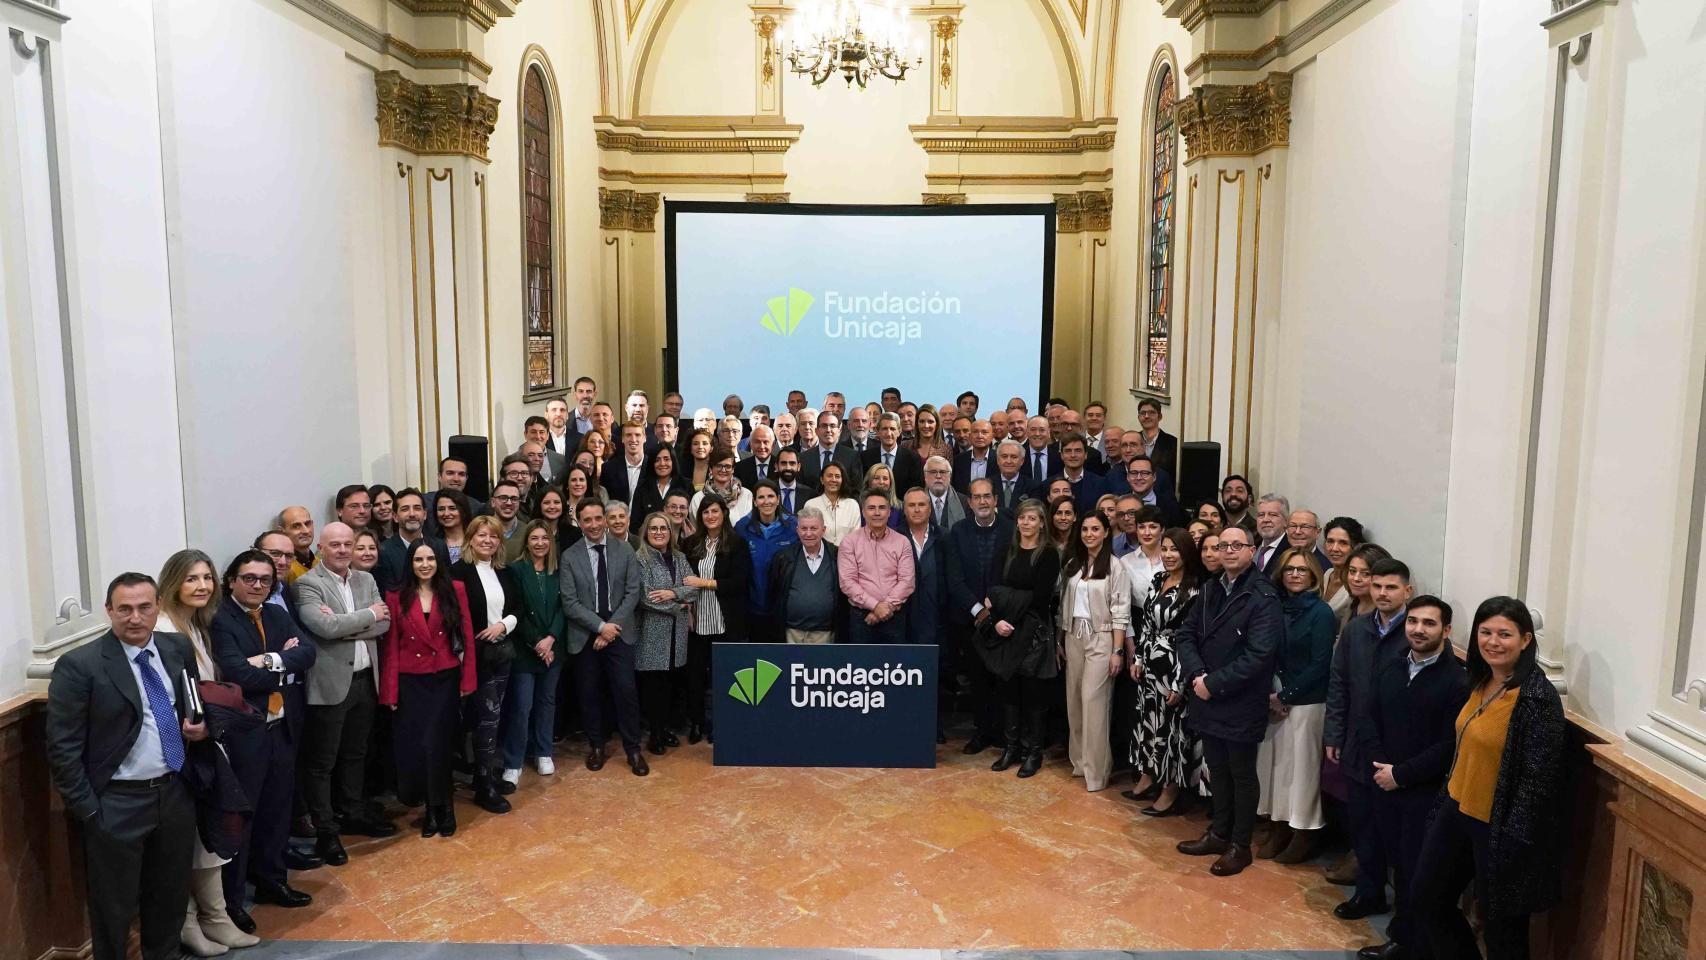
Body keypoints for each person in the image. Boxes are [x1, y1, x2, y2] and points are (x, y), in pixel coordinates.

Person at [46, 573, 211, 960]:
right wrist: (89, 810)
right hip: (116, 803)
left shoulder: (176, 647)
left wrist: (201, 727)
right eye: (124, 609)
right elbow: (62, 747)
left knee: (169, 897)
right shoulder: (80, 665)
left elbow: (193, 703)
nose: (134, 618)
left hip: (174, 794)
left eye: (144, 608)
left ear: (158, 608)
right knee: (113, 908)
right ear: (109, 611)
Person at [1411, 597, 1565, 960]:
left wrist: (1512, 843)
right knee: (1427, 899)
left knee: (1503, 932)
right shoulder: (1480, 679)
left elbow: (1537, 782)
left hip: (1498, 827)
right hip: (1456, 809)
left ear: (1526, 640)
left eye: (1504, 634)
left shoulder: (1537, 698)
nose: (1493, 641)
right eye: (1486, 632)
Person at [152, 552, 260, 957]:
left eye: (207, 578)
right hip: (180, 748)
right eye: (191, 579)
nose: (201, 586)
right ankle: (189, 922)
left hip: (205, 740)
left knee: (207, 833)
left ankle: (214, 917)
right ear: (173, 582)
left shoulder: (195, 625)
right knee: (189, 838)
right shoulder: (164, 627)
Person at [1359, 595, 1468, 960]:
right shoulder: (1390, 666)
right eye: (1413, 621)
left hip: (1422, 792)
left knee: (1414, 871)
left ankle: (1408, 944)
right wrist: (1382, 768)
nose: (1418, 629)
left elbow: (1448, 745)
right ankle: (1404, 938)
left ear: (1446, 630)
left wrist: (1401, 775)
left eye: (1429, 623)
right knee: (1396, 862)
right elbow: (1369, 718)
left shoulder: (1457, 682)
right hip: (1384, 783)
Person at [211, 550, 318, 915]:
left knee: (277, 810)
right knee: (246, 816)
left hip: (282, 726)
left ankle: (274, 881)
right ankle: (234, 901)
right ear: (231, 581)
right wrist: (282, 664)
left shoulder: (274, 613)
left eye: (265, 580)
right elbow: (237, 673)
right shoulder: (221, 619)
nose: (257, 585)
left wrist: (269, 660)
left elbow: (308, 652)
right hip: (246, 733)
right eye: (249, 578)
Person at [1174, 524, 1282, 877]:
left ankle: (1240, 844)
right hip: (1206, 692)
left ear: (1253, 551)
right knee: (1216, 769)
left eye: (1238, 545)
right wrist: (1196, 676)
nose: (1230, 551)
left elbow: (1259, 655)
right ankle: (1219, 832)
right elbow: (1186, 634)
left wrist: (1213, 683)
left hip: (1239, 698)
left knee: (1241, 773)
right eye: (1224, 546)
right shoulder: (1209, 589)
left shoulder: (1262, 596)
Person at [293, 523, 395, 868]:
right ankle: (326, 830)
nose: (341, 549)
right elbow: (324, 627)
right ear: (321, 547)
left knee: (356, 754)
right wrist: (365, 616)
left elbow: (385, 623)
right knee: (322, 762)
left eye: (347, 544)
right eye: (334, 544)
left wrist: (344, 625)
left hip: (366, 680)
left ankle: (353, 813)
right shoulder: (307, 584)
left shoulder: (366, 579)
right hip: (330, 685)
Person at [1325, 556, 1413, 920]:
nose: (1382, 593)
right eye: (1377, 586)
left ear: (1407, 590)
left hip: (1399, 750)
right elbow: (1339, 683)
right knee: (1361, 823)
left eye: (1391, 587)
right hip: (1358, 743)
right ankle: (1369, 893)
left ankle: (1407, 913)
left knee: (1399, 833)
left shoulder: (1417, 629)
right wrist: (1334, 731)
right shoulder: (1357, 630)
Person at [382, 540, 477, 837]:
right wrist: (391, 692)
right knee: (419, 747)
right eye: (419, 559)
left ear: (439, 562)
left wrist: (467, 680)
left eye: (430, 559)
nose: (425, 564)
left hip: (444, 678)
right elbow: (391, 648)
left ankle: (444, 807)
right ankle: (429, 808)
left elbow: (467, 638)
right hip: (412, 681)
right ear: (410, 563)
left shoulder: (455, 589)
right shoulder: (396, 596)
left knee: (440, 745)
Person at [1254, 549, 1336, 864]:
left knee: (1301, 771)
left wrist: (1286, 696)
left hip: (1308, 702)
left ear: (1314, 574)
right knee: (1275, 767)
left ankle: (1305, 831)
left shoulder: (1322, 612)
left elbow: (1320, 663)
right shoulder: (1277, 607)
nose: (1295, 574)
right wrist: (1273, 692)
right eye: (1290, 569)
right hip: (1275, 697)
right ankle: (1277, 825)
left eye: (1302, 570)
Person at [560, 498, 649, 776]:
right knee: (589, 693)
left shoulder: (625, 551)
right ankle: (596, 745)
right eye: (588, 520)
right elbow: (570, 602)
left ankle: (633, 749)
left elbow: (633, 592)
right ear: (579, 522)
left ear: (605, 519)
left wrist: (611, 628)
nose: (595, 525)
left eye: (599, 518)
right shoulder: (569, 556)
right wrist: (600, 628)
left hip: (619, 632)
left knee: (626, 692)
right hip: (585, 634)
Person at [971, 499, 1058, 777]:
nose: (1026, 523)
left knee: (1033, 694)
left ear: (1042, 522)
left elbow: (1041, 598)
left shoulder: (1049, 554)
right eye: (1023, 518)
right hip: (1005, 630)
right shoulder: (1006, 550)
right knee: (1008, 691)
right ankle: (1011, 748)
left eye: (1033, 519)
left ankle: (1033, 752)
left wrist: (1003, 601)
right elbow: (992, 591)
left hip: (1032, 634)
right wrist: (998, 620)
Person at [1125, 528, 1204, 816]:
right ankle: (1148, 776)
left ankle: (1171, 789)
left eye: (1175, 550)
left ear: (1186, 554)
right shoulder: (1158, 580)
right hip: (1150, 666)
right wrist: (1138, 659)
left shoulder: (1196, 589)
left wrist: (1180, 681)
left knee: (1171, 730)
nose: (1169, 555)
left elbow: (1191, 637)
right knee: (1149, 724)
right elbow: (1146, 624)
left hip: (1175, 665)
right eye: (1166, 549)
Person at [450, 516, 520, 815]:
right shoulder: (458, 572)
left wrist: (503, 625)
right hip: (473, 657)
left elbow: (517, 608)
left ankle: (484, 773)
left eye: (493, 536)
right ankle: (483, 783)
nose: (487, 541)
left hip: (501, 652)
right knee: (486, 718)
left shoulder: (503, 571)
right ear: (470, 539)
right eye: (481, 535)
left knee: (493, 717)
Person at [1057, 511, 1131, 793]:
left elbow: (1121, 611)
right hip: (1073, 635)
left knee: (1094, 702)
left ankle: (1097, 772)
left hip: (1102, 637)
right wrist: (1061, 639)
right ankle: (1079, 762)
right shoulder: (1074, 564)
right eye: (1085, 529)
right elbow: (1063, 604)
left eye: (1095, 529)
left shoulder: (1115, 566)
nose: (1089, 534)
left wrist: (1117, 650)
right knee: (1074, 700)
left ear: (1106, 533)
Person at [500, 520, 567, 791]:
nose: (540, 543)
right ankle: (513, 762)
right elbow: (515, 609)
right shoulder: (516, 571)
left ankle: (544, 752)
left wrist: (550, 639)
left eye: (545, 538)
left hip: (553, 649)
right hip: (526, 651)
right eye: (534, 538)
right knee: (521, 706)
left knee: (547, 702)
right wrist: (537, 642)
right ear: (526, 541)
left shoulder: (557, 572)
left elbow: (564, 608)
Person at [681, 496, 751, 738]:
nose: (710, 516)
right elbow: (682, 579)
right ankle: (698, 724)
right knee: (695, 678)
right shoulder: (690, 544)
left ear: (723, 513)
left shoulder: (737, 543)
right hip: (698, 620)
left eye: (714, 511)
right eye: (705, 512)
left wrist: (705, 582)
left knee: (724, 676)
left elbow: (740, 582)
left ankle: (722, 725)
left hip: (725, 621)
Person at [635, 512, 698, 755]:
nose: (659, 532)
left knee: (671, 685)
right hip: (652, 633)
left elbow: (693, 587)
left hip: (677, 634)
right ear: (646, 532)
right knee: (654, 688)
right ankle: (655, 734)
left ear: (671, 532)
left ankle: (664, 729)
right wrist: (679, 605)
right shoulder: (640, 559)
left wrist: (672, 594)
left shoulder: (680, 557)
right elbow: (646, 597)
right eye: (654, 528)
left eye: (664, 528)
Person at [839, 489, 916, 643]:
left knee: (896, 665)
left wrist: (885, 607)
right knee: (861, 665)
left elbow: (907, 581)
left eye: (882, 508)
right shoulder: (849, 542)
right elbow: (847, 582)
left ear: (889, 512)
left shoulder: (902, 542)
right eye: (871, 508)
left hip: (894, 618)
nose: (877, 513)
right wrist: (875, 606)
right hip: (862, 618)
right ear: (863, 512)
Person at [771, 507, 845, 644]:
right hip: (791, 633)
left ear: (823, 530)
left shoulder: (837, 556)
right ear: (797, 530)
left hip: (825, 634)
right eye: (804, 528)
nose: (808, 533)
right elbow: (774, 594)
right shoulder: (783, 558)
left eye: (814, 528)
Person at [736, 480, 799, 643]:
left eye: (771, 496)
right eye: (761, 497)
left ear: (778, 499)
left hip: (783, 608)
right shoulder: (742, 527)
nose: (766, 501)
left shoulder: (793, 527)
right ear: (755, 502)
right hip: (752, 606)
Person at [1118, 506, 1167, 610]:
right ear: (1136, 530)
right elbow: (1121, 602)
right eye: (1141, 527)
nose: (1146, 533)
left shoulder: (1171, 560)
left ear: (1162, 530)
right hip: (1136, 621)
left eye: (1153, 527)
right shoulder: (1125, 562)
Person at [862, 412, 924, 493]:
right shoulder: (865, 457)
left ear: (899, 431)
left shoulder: (912, 458)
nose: (888, 434)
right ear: (877, 431)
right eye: (884, 429)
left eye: (892, 429)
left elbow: (916, 490)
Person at [1319, 517, 1367, 621]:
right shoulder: (1327, 574)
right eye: (1330, 541)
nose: (1334, 548)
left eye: (1343, 543)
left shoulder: (1356, 583)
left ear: (1356, 547)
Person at [801, 411, 863, 491]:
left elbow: (857, 490)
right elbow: (801, 491)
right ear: (817, 431)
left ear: (839, 431)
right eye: (824, 426)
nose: (828, 430)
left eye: (832, 426)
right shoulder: (803, 458)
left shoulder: (852, 456)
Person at [803, 461, 860, 546]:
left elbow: (856, 536)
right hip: (819, 555)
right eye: (829, 476)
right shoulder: (811, 505)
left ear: (842, 480)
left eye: (837, 476)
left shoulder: (852, 505)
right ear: (822, 480)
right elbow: (808, 534)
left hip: (848, 555)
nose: (833, 480)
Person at [690, 449, 753, 524]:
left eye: (728, 466)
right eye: (718, 466)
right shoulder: (698, 498)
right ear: (710, 469)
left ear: (733, 469)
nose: (723, 470)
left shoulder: (746, 495)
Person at [424, 457, 486, 533]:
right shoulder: (424, 502)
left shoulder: (476, 507)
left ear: (466, 478)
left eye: (461, 474)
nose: (456, 479)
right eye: (450, 473)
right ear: (439, 477)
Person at [632, 444, 691, 522]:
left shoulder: (686, 485)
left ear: (673, 461)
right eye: (657, 460)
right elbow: (635, 523)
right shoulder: (642, 487)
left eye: (666, 459)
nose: (662, 464)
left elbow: (690, 519)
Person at [1120, 454, 1184, 526]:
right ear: (1128, 477)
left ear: (1154, 477)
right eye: (1134, 473)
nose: (1138, 478)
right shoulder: (1119, 503)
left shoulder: (1171, 506)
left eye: (1144, 473)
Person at [601, 420, 650, 507]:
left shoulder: (653, 466)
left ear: (645, 438)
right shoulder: (608, 468)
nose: (633, 439)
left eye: (637, 435)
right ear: (622, 439)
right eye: (628, 435)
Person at [1058, 434, 1110, 511]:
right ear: (1062, 455)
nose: (1073, 455)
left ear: (1085, 455)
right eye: (1068, 451)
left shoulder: (1101, 484)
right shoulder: (1049, 485)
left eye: (1078, 451)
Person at [1133, 397, 1179, 479]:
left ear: (1160, 417)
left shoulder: (1173, 443)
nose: (1146, 416)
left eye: (1151, 413)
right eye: (1143, 413)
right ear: (1138, 417)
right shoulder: (1132, 440)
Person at [921, 456, 969, 530]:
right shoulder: (916, 501)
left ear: (950, 476)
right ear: (925, 476)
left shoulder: (964, 502)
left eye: (943, 472)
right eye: (933, 472)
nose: (938, 476)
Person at [951, 419, 997, 494]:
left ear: (992, 436)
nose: (979, 436)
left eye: (984, 432)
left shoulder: (999, 459)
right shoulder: (958, 461)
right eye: (975, 432)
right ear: (970, 436)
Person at [1251, 494, 1292, 577]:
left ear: (1286, 521)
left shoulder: (1291, 552)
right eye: (1261, 515)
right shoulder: (1251, 546)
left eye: (1273, 514)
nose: (1265, 520)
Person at [276, 506, 318, 583]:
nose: (305, 531)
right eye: (296, 526)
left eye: (307, 524)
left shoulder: (321, 563)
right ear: (281, 531)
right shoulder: (282, 569)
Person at [772, 448, 817, 517]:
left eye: (792, 463)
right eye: (783, 463)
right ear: (776, 466)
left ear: (798, 467)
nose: (788, 468)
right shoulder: (768, 490)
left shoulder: (809, 494)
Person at [434, 489, 471, 563]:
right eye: (441, 509)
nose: (446, 513)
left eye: (452, 508)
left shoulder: (476, 540)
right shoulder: (432, 544)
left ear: (463, 510)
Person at [1019, 416, 1059, 485]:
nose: (1037, 434)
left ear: (1048, 432)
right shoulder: (1018, 455)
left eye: (1042, 430)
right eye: (1033, 429)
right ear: (1027, 432)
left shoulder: (1058, 457)